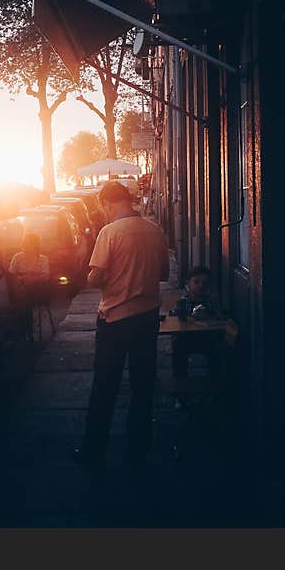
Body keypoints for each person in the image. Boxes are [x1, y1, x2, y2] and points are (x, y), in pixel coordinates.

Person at [74, 180, 169, 469]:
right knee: (143, 386)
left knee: (105, 385)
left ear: (106, 203)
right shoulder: (155, 231)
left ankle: (94, 451)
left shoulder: (109, 232)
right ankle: (137, 451)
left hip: (115, 319)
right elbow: (164, 273)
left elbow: (95, 278)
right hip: (148, 316)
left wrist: (93, 271)